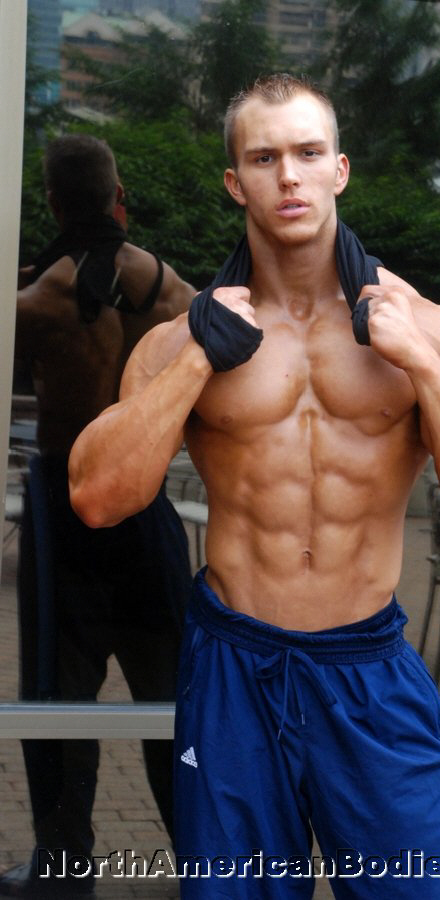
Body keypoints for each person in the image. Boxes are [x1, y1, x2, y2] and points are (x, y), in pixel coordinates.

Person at [68, 76, 440, 898]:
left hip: (368, 670)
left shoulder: (427, 329)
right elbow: (98, 498)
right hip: (234, 670)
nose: (288, 175)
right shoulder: (180, 341)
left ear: (339, 169)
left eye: (308, 153)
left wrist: (420, 365)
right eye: (264, 157)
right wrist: (197, 363)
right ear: (234, 181)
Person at [0, 134, 196, 898]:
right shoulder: (174, 293)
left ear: (52, 203)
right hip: (145, 504)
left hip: (67, 507)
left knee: (58, 698)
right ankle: (203, 864)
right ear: (119, 198)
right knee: (176, 700)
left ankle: (63, 869)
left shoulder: (35, 304)